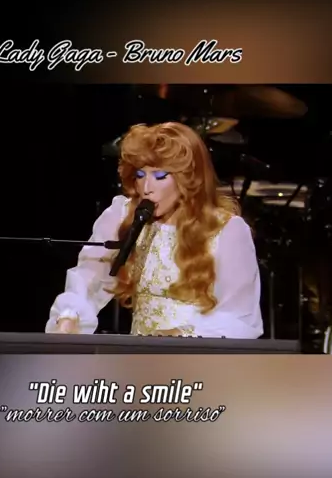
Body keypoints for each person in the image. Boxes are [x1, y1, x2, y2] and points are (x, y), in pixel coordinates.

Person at [46, 122, 263, 338]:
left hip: (194, 354)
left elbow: (240, 315)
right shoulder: (124, 215)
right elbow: (89, 278)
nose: (147, 188)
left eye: (160, 176)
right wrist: (69, 317)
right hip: (139, 354)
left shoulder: (227, 230)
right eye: (140, 175)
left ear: (187, 178)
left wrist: (180, 334)